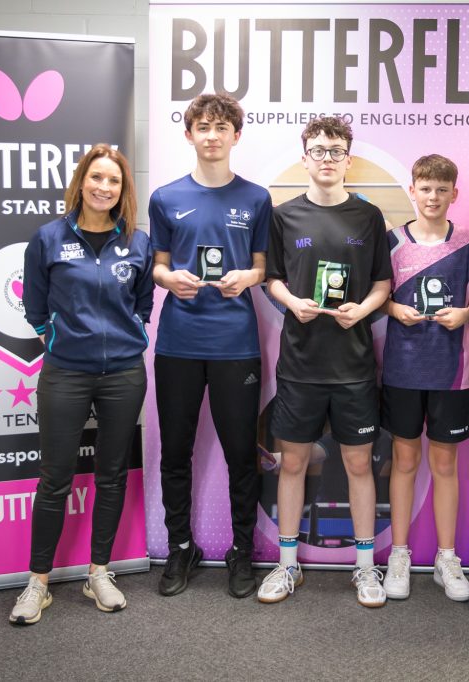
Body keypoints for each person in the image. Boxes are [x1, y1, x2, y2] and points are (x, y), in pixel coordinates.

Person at [12, 144, 153, 625]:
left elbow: (143, 303)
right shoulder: (48, 238)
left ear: (122, 189)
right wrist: (56, 337)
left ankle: (99, 573)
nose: (103, 187)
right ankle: (38, 583)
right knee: (55, 478)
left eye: (113, 180)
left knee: (112, 475)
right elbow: (34, 307)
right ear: (81, 182)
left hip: (124, 374)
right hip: (66, 372)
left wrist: (129, 334)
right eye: (96, 177)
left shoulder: (137, 242)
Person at [258, 116, 393, 607]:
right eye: (318, 150)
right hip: (300, 365)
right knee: (293, 463)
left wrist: (364, 309)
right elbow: (271, 278)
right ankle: (287, 565)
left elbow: (382, 283)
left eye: (336, 150)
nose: (328, 158)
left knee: (359, 464)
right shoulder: (283, 215)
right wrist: (292, 302)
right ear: (305, 158)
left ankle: (365, 568)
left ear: (348, 159)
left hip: (354, 367)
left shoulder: (369, 216)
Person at [149, 93, 271, 599]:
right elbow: (157, 264)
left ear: (236, 136)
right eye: (203, 127)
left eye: (222, 127)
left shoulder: (257, 198)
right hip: (178, 342)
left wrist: (249, 277)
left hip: (235, 345)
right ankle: (181, 547)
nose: (213, 135)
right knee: (175, 451)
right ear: (189, 135)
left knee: (241, 452)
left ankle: (242, 550)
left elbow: (262, 267)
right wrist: (167, 279)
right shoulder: (165, 197)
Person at [379, 154, 469, 602]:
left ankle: (447, 557)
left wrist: (468, 313)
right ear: (412, 191)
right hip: (402, 370)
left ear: (454, 193)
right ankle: (398, 555)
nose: (433, 197)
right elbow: (377, 295)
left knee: (444, 466)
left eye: (442, 190)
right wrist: (393, 308)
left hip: (450, 372)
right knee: (404, 462)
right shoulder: (392, 242)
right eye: (425, 188)